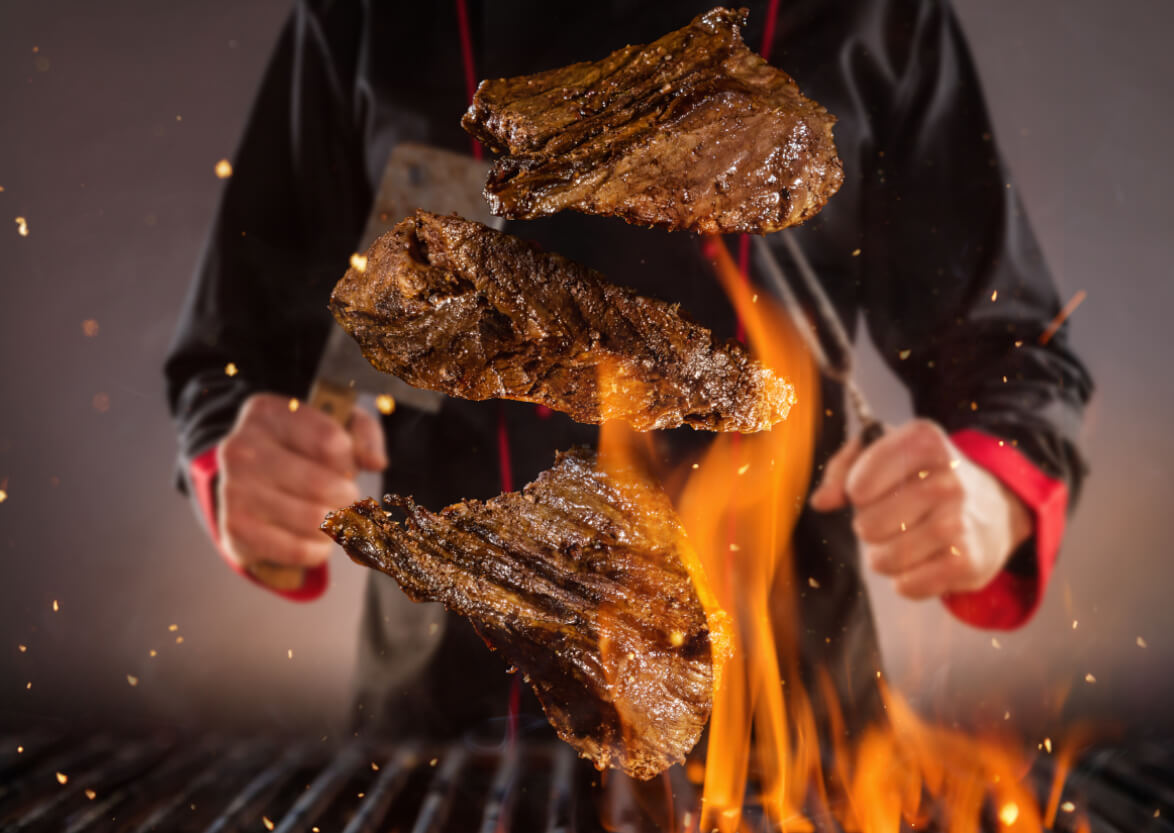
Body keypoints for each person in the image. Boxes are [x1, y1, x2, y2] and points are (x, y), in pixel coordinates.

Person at [165, 0, 1091, 744]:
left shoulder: (877, 14)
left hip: (789, 721)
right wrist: (248, 468)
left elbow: (1008, 354)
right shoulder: (361, 16)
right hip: (446, 726)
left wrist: (985, 489)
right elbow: (231, 358)